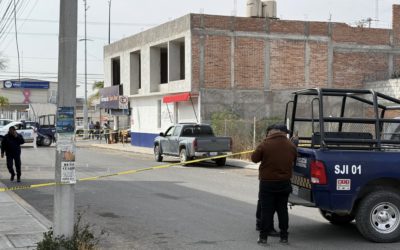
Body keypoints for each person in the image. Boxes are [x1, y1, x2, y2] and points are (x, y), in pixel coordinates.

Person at [251, 124, 297, 245]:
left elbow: (254, 158)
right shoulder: (290, 145)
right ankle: (284, 237)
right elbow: (294, 159)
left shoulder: (265, 144)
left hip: (267, 183)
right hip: (285, 183)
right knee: (283, 210)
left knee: (266, 211)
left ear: (272, 132)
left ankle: (263, 238)